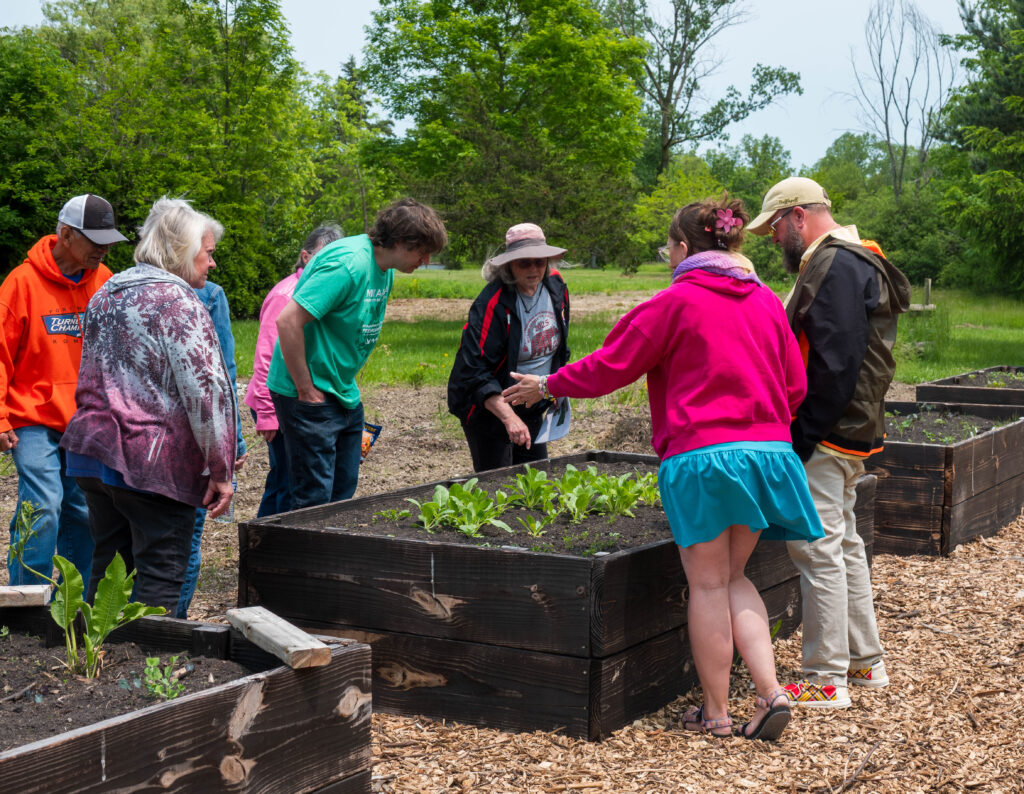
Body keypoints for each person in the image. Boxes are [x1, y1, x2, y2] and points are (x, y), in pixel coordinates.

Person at [503, 195, 823, 741]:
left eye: (667, 247)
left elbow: (613, 365)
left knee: (706, 584)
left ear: (682, 247)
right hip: (769, 453)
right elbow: (795, 384)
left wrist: (548, 384)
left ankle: (717, 714)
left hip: (703, 457)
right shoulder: (768, 300)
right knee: (736, 576)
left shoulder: (676, 301)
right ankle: (771, 694)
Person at [747, 177, 911, 708]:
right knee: (843, 546)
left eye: (774, 225)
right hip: (852, 428)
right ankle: (865, 664)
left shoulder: (836, 263)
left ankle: (824, 678)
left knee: (817, 549)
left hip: (831, 428)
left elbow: (836, 360)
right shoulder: (856, 258)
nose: (773, 238)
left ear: (798, 216)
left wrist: (802, 435)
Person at [61, 197, 236, 612]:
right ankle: (151, 671)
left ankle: (96, 666)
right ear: (182, 251)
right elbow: (206, 390)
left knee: (108, 574)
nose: (212, 265)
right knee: (160, 575)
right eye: (208, 254)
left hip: (94, 457)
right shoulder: (178, 303)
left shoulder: (107, 291)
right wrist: (221, 468)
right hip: (150, 465)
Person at [267, 199, 447, 509]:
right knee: (314, 501)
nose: (427, 260)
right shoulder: (347, 263)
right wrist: (306, 389)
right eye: (423, 251)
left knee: (342, 492)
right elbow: (287, 321)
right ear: (402, 242)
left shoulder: (384, 266)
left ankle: (329, 554)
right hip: (310, 395)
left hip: (343, 392)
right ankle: (305, 556)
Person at [1, 194, 127, 587]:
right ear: (66, 235)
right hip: (33, 419)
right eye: (95, 240)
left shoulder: (105, 282)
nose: (104, 248)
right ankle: (24, 601)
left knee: (84, 513)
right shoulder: (21, 284)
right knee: (43, 507)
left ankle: (76, 605)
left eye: (108, 239)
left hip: (85, 422)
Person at [447, 223, 570, 472]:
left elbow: (559, 346)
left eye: (540, 261)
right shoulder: (492, 303)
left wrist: (555, 385)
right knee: (497, 483)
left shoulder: (556, 286)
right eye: (524, 262)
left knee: (535, 480)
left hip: (533, 402)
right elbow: (475, 372)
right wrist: (509, 418)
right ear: (509, 265)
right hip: (490, 410)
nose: (534, 269)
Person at [244, 225, 343, 517]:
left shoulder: (323, 292)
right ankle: (265, 545)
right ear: (305, 256)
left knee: (288, 478)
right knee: (287, 481)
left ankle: (269, 545)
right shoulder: (286, 295)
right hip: (276, 400)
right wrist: (267, 413)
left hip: (297, 399)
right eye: (324, 259)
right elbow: (265, 357)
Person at [175, 279, 249, 618]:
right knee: (186, 537)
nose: (213, 263)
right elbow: (223, 373)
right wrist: (233, 440)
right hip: (191, 438)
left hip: (133, 441)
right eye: (208, 253)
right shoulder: (207, 294)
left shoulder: (119, 286)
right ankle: (171, 627)